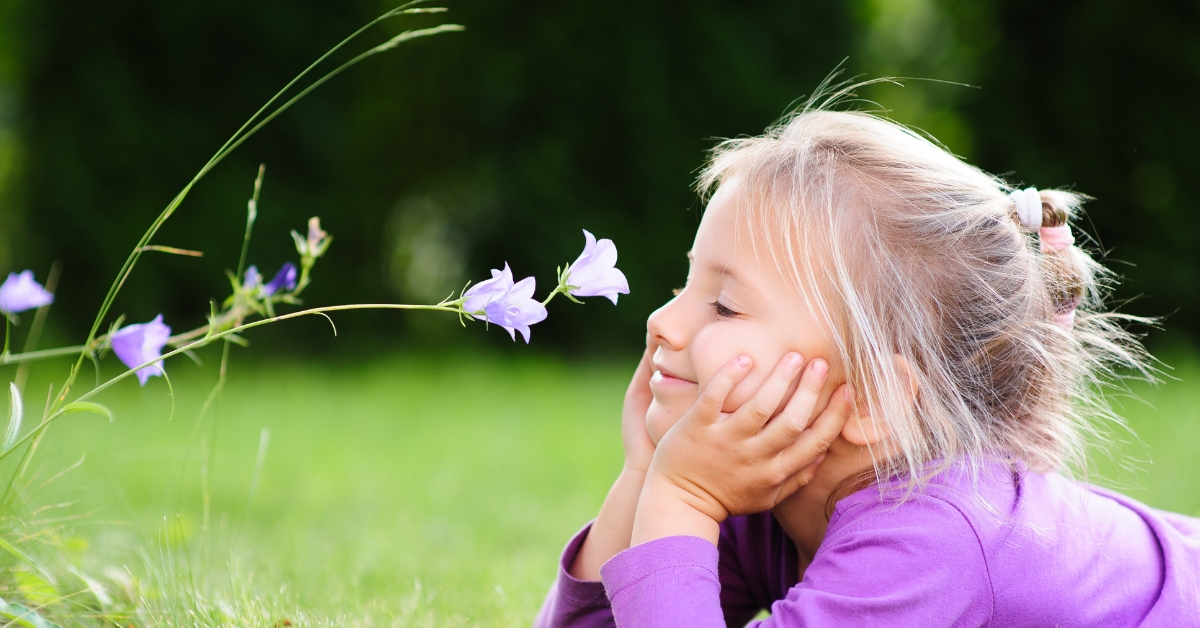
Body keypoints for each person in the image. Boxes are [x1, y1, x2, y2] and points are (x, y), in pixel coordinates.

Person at [535, 92, 1200, 627]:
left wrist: (679, 498)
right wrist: (644, 475)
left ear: (876, 399)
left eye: (725, 306)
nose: (662, 321)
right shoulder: (767, 496)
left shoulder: (931, 543)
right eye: (686, 284)